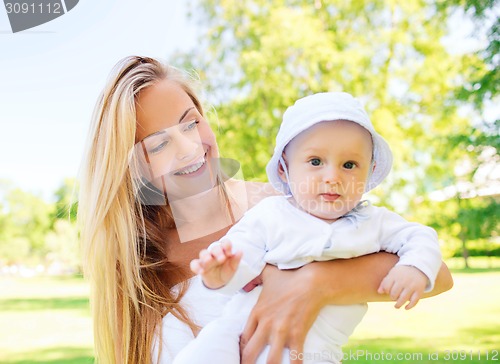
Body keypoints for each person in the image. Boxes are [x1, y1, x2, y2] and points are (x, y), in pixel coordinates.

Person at [78, 56, 453, 364]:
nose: (190, 147)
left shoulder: (277, 206)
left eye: (191, 122)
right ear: (131, 166)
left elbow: (439, 274)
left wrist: (313, 283)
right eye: (158, 145)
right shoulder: (139, 261)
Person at [175, 92, 443, 363]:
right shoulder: (270, 215)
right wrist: (220, 274)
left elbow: (420, 236)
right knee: (201, 354)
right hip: (238, 332)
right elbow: (241, 259)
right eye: (315, 162)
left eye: (349, 165)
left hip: (313, 350)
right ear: (284, 169)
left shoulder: (374, 222)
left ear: (370, 172)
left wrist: (414, 267)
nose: (332, 178)